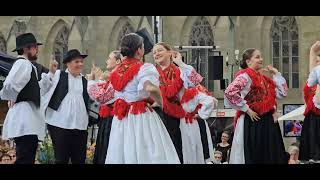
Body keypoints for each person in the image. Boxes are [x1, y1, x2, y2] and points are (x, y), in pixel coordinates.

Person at [105, 33, 180, 164]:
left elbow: (109, 95)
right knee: (146, 151)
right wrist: (160, 102)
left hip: (121, 118)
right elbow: (150, 88)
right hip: (140, 116)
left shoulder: (116, 70)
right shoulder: (143, 67)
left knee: (123, 150)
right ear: (139, 50)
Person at [225, 48, 288, 164]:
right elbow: (230, 92)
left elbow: (282, 93)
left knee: (271, 155)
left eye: (261, 57)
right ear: (248, 61)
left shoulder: (264, 79)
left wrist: (276, 73)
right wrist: (246, 109)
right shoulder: (245, 77)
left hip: (267, 121)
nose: (261, 59)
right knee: (255, 154)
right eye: (257, 57)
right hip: (254, 121)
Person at [152, 42, 203, 163]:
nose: (156, 54)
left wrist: (180, 62)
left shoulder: (180, 71)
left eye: (160, 50)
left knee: (176, 149)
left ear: (170, 52)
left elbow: (195, 81)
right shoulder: (151, 71)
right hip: (155, 115)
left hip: (176, 117)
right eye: (154, 52)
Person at [0, 33, 45, 164]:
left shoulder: (29, 66)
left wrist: (13, 96)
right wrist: (12, 96)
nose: (37, 50)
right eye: (35, 47)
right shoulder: (23, 64)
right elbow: (9, 85)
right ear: (26, 49)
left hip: (28, 121)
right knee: (25, 158)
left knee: (27, 157)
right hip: (24, 121)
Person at [41, 49, 89, 164]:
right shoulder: (58, 75)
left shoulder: (84, 80)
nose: (80, 64)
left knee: (80, 159)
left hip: (80, 126)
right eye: (76, 61)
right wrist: (51, 72)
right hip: (59, 124)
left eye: (81, 61)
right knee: (61, 159)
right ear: (68, 63)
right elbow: (44, 89)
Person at [87, 50, 122, 164]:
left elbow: (102, 97)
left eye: (109, 58)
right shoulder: (114, 76)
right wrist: (98, 80)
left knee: (107, 150)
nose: (106, 60)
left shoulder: (118, 76)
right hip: (107, 119)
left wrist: (92, 81)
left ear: (117, 61)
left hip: (113, 119)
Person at [179, 84, 217, 164]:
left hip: (187, 121)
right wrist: (201, 114)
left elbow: (211, 102)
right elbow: (212, 101)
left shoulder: (194, 90)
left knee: (192, 146)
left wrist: (200, 114)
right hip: (189, 121)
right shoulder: (197, 91)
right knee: (194, 146)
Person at [299, 41, 320, 161]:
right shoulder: (311, 81)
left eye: (319, 61)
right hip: (312, 120)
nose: (316, 64)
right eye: (315, 61)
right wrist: (312, 51)